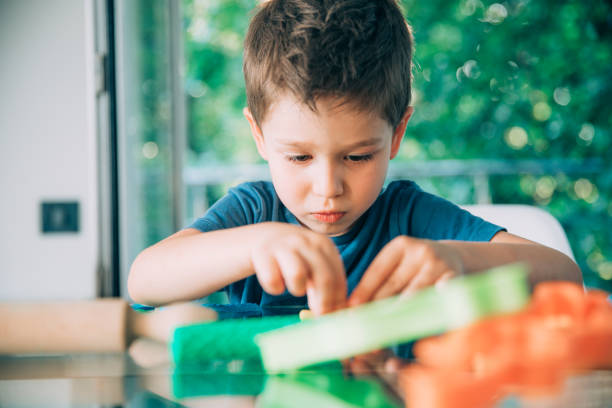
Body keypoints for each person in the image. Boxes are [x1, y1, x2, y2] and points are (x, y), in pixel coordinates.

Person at [128, 0, 582, 316]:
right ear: (259, 136)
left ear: (397, 133)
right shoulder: (253, 214)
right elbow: (143, 280)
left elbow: (565, 277)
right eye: (300, 157)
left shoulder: (410, 219)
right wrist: (256, 244)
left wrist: (460, 260)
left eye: (359, 156)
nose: (328, 187)